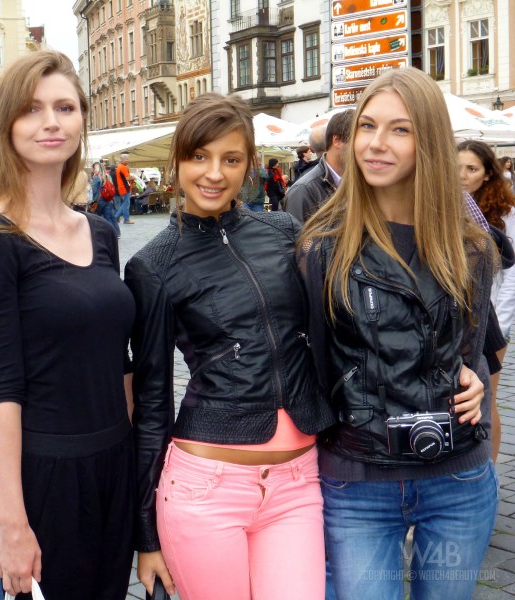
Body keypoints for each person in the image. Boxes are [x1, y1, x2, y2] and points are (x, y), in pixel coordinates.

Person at [126, 92, 335, 600]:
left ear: (250, 165)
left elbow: (335, 333)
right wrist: (145, 533)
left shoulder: (284, 230)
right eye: (199, 156)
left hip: (297, 483)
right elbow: (151, 401)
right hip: (205, 488)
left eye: (231, 159)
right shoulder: (152, 265)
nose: (214, 173)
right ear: (178, 160)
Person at [298, 67, 495, 600]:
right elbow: (311, 362)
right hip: (357, 480)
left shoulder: (470, 247)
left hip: (455, 478)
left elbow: (471, 351)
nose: (376, 144)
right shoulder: (321, 245)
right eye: (366, 126)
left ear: (428, 141)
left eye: (400, 129)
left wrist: (473, 375)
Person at [0, 50, 135, 599]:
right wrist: (12, 524)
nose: (51, 122)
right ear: (8, 123)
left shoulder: (100, 232)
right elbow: (3, 391)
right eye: (33, 109)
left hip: (115, 466)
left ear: (82, 119)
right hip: (47, 474)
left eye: (65, 107)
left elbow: (118, 360)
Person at [458, 140, 515, 462]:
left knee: (487, 398)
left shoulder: (504, 214)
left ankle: (488, 469)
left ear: (488, 174)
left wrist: (503, 322)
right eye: (457, 168)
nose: (462, 175)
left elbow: (512, 274)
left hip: (493, 320)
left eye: (471, 169)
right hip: (461, 317)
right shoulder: (446, 205)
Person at [285, 109, 355, 224]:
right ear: (337, 141)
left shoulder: (362, 180)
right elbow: (296, 238)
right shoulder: (303, 190)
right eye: (356, 141)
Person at [115, 153, 135, 224]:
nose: (128, 160)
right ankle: (124, 219)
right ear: (123, 160)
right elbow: (127, 178)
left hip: (121, 188)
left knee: (125, 203)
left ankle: (119, 217)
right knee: (126, 204)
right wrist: (133, 177)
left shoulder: (119, 167)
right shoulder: (123, 167)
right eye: (127, 159)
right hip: (125, 188)